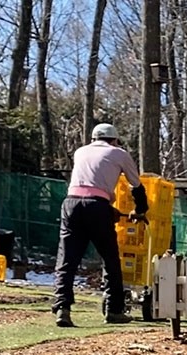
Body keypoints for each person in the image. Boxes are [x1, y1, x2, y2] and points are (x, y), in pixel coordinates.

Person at [52, 123, 149, 327]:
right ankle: (113, 310)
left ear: (93, 139)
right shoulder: (119, 153)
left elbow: (89, 184)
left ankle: (63, 308)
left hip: (71, 204)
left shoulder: (80, 152)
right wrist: (140, 210)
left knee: (67, 258)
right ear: (114, 140)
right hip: (98, 207)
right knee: (110, 258)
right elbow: (136, 185)